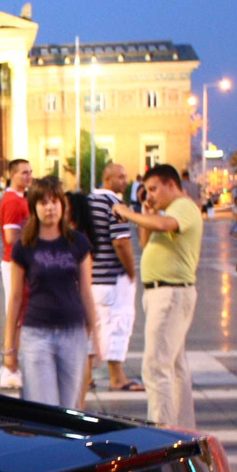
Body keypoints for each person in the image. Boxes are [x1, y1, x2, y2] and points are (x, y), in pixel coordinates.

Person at [113, 164, 203, 428]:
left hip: (170, 293)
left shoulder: (183, 207)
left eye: (154, 189)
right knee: (174, 366)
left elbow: (164, 225)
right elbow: (145, 241)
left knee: (155, 367)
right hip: (164, 292)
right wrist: (146, 212)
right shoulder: (168, 212)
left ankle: (162, 430)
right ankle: (183, 428)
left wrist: (126, 213)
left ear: (171, 185)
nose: (150, 194)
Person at [0, 180, 99, 408]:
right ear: (34, 207)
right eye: (43, 203)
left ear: (63, 205)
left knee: (69, 408)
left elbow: (86, 292)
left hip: (73, 333)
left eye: (55, 201)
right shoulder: (24, 246)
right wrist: (9, 348)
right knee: (44, 406)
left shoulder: (78, 243)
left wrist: (96, 334)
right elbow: (15, 298)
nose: (50, 207)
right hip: (37, 333)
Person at [86, 163, 139, 391]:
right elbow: (121, 242)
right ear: (107, 178)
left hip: (90, 279)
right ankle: (117, 377)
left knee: (92, 327)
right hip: (112, 278)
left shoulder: (86, 202)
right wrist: (131, 271)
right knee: (118, 325)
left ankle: (86, 376)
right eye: (121, 177)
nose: (125, 181)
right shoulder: (114, 204)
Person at [0, 159, 32, 388]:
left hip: (18, 262)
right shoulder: (11, 201)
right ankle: (10, 366)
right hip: (13, 262)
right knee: (16, 315)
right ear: (12, 175)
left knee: (20, 314)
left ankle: (13, 364)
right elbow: (10, 237)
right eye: (24, 173)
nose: (29, 176)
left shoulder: (20, 199)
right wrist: (32, 232)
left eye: (30, 172)